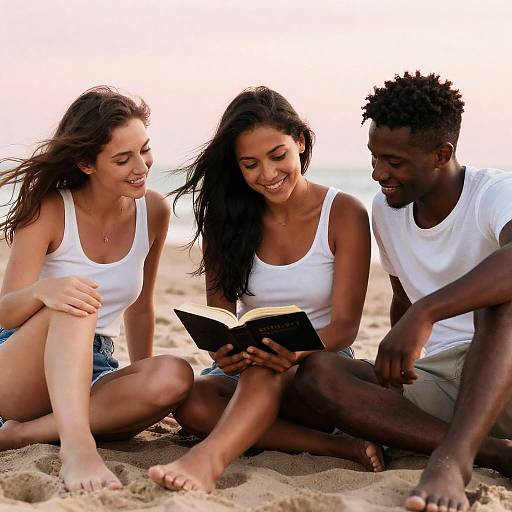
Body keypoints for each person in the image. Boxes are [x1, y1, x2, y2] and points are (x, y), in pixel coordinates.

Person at [294, 71, 512, 512]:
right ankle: (495, 453)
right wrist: (395, 365)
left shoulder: (495, 192)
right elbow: (401, 296)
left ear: (441, 154)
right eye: (374, 157)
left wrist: (425, 313)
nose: (378, 173)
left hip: (505, 364)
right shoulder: (387, 210)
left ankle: (452, 462)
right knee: (318, 373)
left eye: (393, 161)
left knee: (498, 301)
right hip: (449, 382)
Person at [148, 86, 384, 492]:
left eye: (278, 156)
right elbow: (220, 316)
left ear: (300, 142)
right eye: (250, 164)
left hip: (321, 366)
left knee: (265, 365)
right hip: (253, 368)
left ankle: (207, 461)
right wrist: (223, 352)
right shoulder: (228, 221)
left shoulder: (344, 213)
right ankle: (335, 449)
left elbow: (345, 326)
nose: (268, 174)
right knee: (191, 401)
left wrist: (293, 351)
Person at [0, 87, 194, 492]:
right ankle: (77, 446)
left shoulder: (152, 211)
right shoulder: (50, 210)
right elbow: (4, 312)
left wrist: (142, 375)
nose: (141, 167)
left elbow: (141, 307)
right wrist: (43, 292)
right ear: (87, 163)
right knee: (77, 298)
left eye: (145, 150)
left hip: (95, 366)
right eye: (123, 159)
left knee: (174, 376)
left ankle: (21, 435)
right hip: (21, 363)